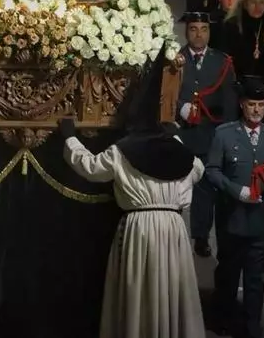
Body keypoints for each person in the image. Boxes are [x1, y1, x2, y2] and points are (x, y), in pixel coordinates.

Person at [59, 107, 206, 338]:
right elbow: (198, 170)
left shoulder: (122, 151)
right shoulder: (183, 153)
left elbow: (91, 167)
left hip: (141, 228)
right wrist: (175, 137)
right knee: (172, 289)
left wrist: (70, 138)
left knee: (139, 290)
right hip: (172, 228)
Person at [207, 77, 264, 338]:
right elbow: (212, 170)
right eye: (252, 104)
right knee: (228, 274)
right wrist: (236, 190)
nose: (256, 110)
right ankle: (224, 318)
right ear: (242, 105)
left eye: (261, 105)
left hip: (260, 220)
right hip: (231, 218)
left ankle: (252, 326)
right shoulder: (224, 134)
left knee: (255, 279)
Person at [174, 12, 237, 258]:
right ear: (186, 32)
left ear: (209, 32)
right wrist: (181, 107)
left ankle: (200, 237)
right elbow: (164, 93)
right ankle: (174, 235)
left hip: (210, 134)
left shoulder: (222, 62)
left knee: (204, 191)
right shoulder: (174, 59)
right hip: (181, 135)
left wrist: (229, 139)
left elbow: (230, 102)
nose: (198, 34)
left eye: (203, 29)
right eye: (193, 29)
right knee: (175, 187)